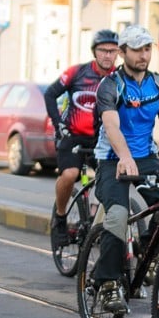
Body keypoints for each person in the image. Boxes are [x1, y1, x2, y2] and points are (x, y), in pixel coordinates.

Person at [93, 24, 159, 314]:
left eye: (148, 48)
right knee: (117, 214)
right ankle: (107, 284)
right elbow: (111, 124)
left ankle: (147, 254)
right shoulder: (110, 85)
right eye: (137, 49)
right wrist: (124, 156)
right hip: (111, 158)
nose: (144, 54)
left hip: (146, 157)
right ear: (123, 52)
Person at [45, 28, 120, 247]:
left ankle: (98, 221)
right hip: (74, 135)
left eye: (112, 51)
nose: (108, 55)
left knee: (111, 181)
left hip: (103, 139)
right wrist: (58, 123)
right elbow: (50, 94)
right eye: (103, 50)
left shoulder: (119, 78)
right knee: (70, 175)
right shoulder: (77, 72)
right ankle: (59, 217)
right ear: (94, 52)